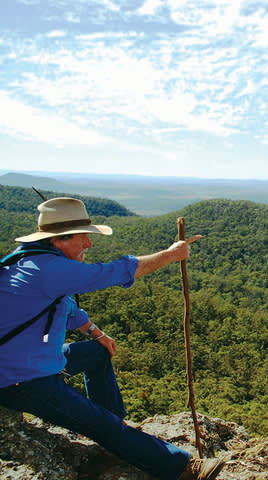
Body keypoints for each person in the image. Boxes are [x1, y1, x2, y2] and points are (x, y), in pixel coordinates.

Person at [0, 197, 227, 480]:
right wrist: (170, 255)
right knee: (99, 424)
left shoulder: (29, 260)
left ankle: (116, 427)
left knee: (97, 353)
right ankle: (182, 468)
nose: (88, 245)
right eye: (83, 238)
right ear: (59, 240)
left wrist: (96, 333)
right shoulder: (47, 270)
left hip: (31, 359)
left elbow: (63, 306)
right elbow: (115, 272)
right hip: (19, 380)